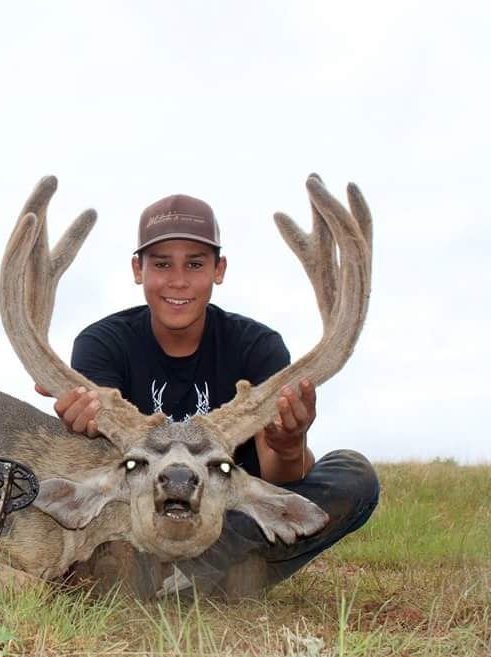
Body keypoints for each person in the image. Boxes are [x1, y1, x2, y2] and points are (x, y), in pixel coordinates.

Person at [43, 193, 380, 599]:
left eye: (195, 264)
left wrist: (289, 444)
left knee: (353, 473)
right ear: (138, 270)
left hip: (230, 517)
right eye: (161, 264)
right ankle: (192, 579)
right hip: (141, 521)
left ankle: (178, 575)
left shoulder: (257, 347)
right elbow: (104, 472)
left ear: (219, 270)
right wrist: (82, 429)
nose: (178, 280)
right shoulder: (103, 344)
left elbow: (281, 478)